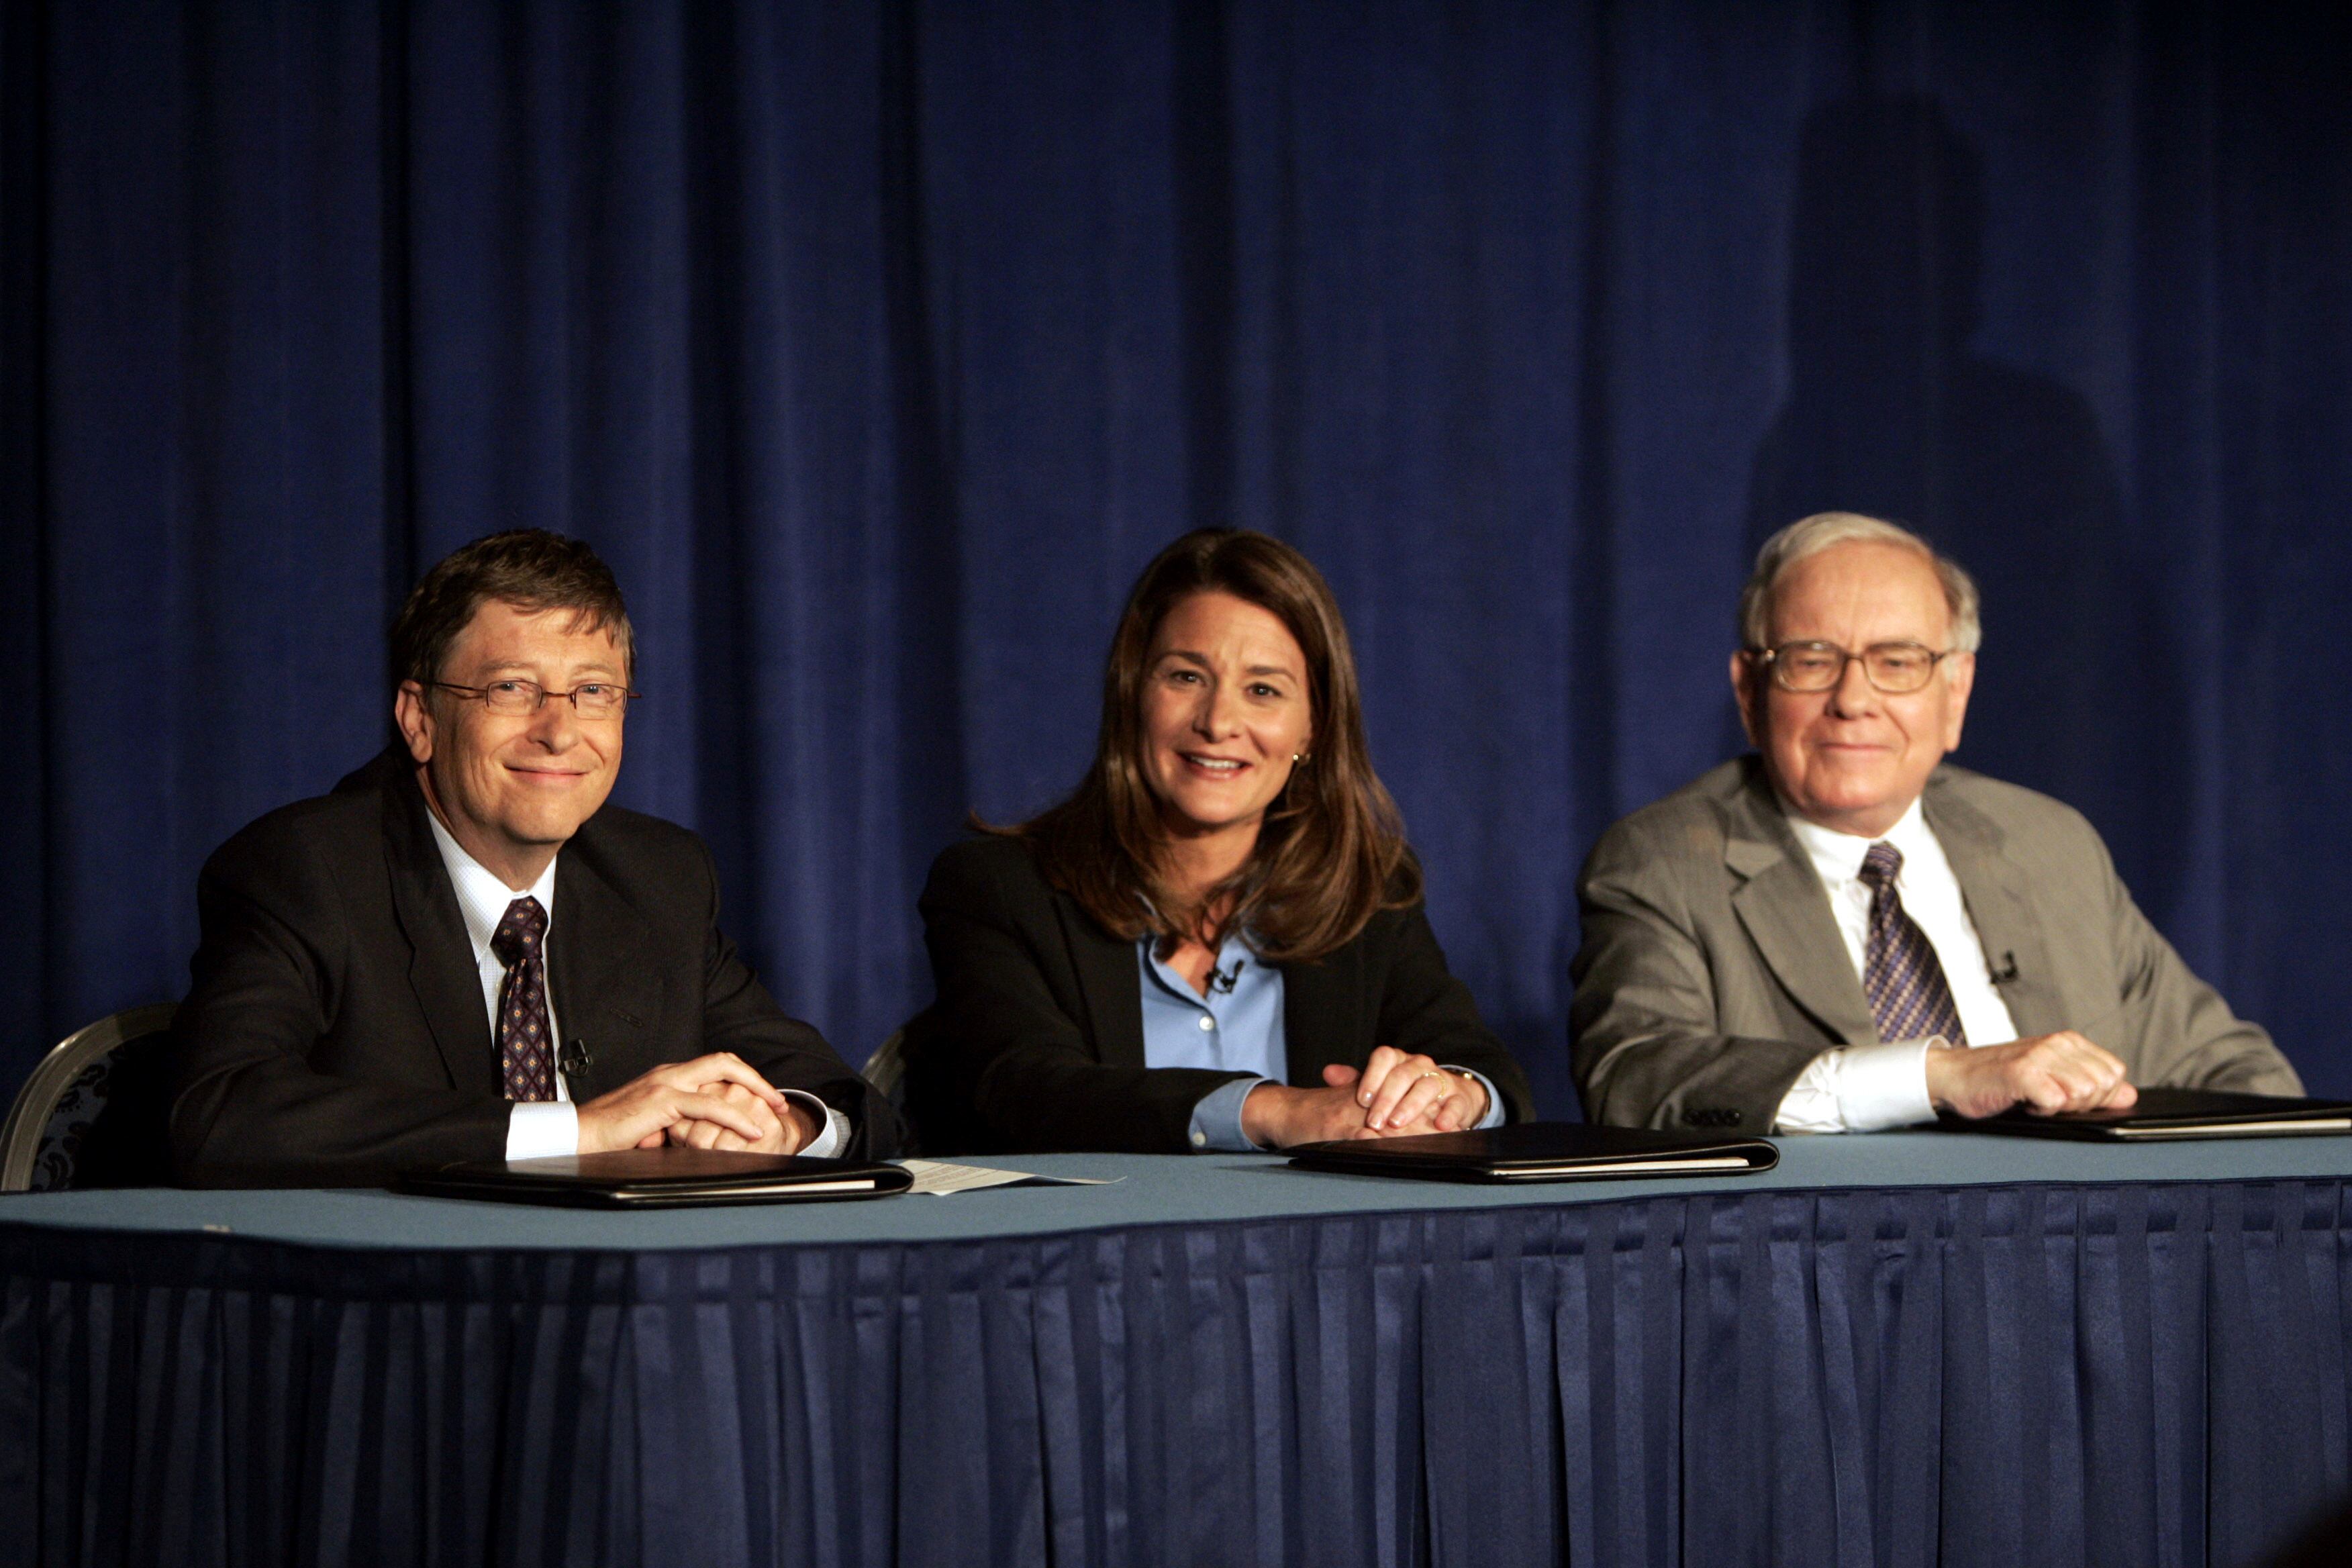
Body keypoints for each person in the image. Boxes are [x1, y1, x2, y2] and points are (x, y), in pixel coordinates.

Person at [171, 530, 893, 1186]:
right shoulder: (307, 868)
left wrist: (782, 1125)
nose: (560, 731)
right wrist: (576, 1131)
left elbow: (851, 1103)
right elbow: (220, 1113)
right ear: (420, 719)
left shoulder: (658, 877)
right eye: (511, 688)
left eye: (593, 691)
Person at [1571, 511, 2300, 1133]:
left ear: (1956, 693)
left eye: (1898, 662)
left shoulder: (2048, 844)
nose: (1855, 699)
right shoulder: (1664, 862)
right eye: (1812, 659)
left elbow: (2236, 1073)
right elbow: (1635, 1077)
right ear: (1749, 691)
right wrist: (1935, 1074)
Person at [901, 528, 1534, 1155]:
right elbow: (1028, 1092)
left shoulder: (1369, 893)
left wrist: (1449, 1092)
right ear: (1133, 694)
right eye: (1185, 677)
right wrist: (1274, 1110)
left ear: (1312, 728)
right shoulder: (1000, 887)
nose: (1218, 722)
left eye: (1263, 690)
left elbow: (1483, 1069)